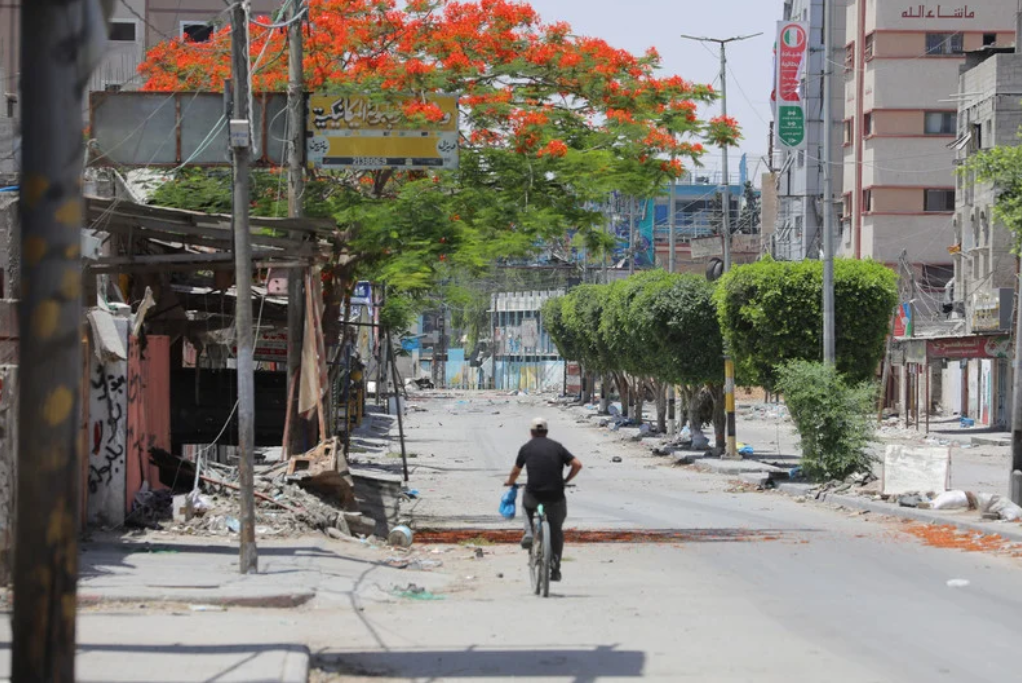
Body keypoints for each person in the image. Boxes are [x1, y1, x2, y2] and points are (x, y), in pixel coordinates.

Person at [504, 417, 583, 582]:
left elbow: (515, 472)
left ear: (531, 433)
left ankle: (529, 533)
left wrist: (510, 483)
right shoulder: (557, 447)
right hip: (556, 496)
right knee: (556, 532)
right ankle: (555, 567)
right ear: (546, 432)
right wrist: (565, 480)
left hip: (534, 494)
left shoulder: (526, 448)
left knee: (526, 506)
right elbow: (577, 464)